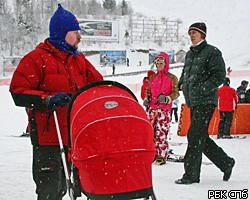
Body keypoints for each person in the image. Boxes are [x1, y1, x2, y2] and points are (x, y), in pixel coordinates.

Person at [9, 4, 103, 199]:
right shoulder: (37, 58)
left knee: (74, 187)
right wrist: (47, 99)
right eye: (75, 32)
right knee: (51, 190)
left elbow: (98, 84)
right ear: (62, 33)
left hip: (75, 136)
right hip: (48, 138)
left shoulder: (78, 59)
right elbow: (17, 92)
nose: (79, 37)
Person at [176, 22, 235, 184]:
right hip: (193, 101)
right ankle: (226, 162)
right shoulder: (190, 54)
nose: (192, 35)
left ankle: (191, 175)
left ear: (203, 34)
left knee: (194, 135)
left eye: (195, 32)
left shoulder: (212, 52)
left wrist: (203, 88)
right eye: (190, 32)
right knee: (200, 136)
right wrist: (181, 83)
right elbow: (185, 73)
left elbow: (219, 75)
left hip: (206, 100)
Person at [143, 52, 179, 165]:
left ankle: (161, 155)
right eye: (157, 63)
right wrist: (146, 98)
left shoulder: (172, 78)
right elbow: (148, 91)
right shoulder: (152, 78)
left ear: (166, 63)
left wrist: (168, 98)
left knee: (161, 131)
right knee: (149, 131)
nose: (159, 65)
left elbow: (176, 93)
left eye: (161, 63)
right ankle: (152, 152)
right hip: (152, 108)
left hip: (164, 109)